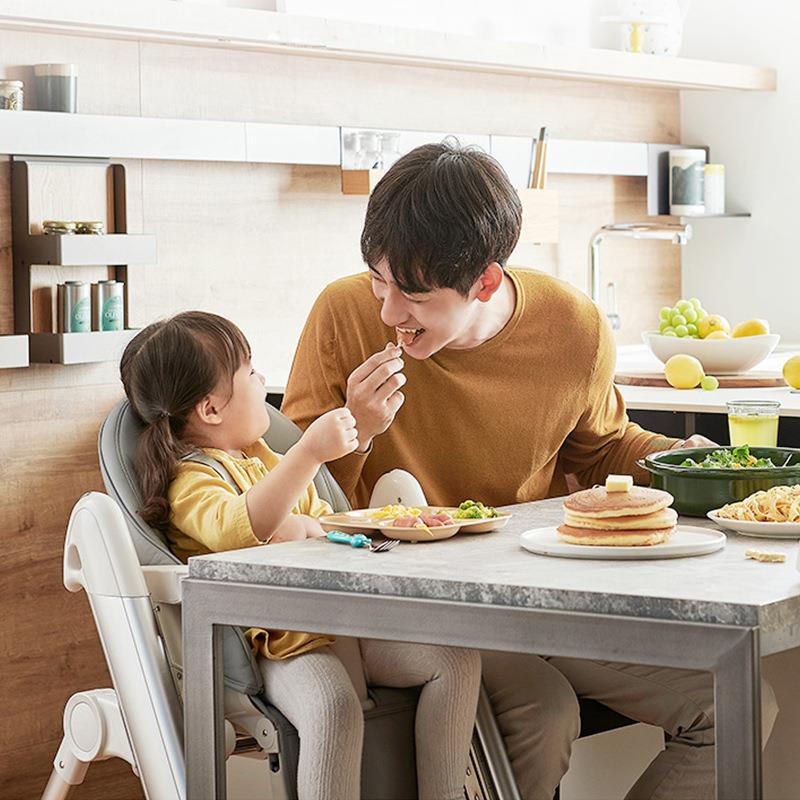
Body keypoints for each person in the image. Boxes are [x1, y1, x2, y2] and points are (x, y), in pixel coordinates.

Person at [281, 141, 778, 800]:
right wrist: (360, 433)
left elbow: (599, 449)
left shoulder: (573, 328)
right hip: (413, 611)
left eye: (414, 293)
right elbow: (292, 499)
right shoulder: (342, 316)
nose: (388, 312)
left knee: (736, 700)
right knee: (542, 712)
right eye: (379, 280)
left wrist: (700, 464)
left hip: (540, 594)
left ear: (485, 280)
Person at [119, 310, 482, 800]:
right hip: (279, 640)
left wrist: (308, 523)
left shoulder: (265, 458)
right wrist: (308, 454)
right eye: (249, 372)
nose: (262, 379)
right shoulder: (192, 480)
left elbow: (319, 522)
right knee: (333, 708)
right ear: (210, 409)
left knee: (455, 661)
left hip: (341, 623)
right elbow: (236, 527)